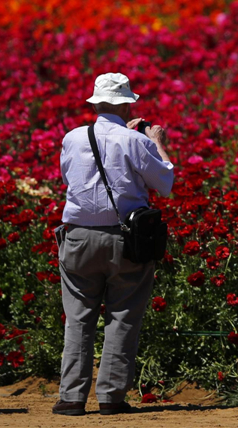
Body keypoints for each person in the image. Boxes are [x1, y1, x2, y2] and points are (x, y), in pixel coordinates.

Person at [53, 73, 174, 416]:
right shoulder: (137, 141)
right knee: (122, 318)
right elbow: (165, 181)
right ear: (127, 104)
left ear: (96, 102)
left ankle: (71, 398)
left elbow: (68, 179)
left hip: (77, 237)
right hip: (125, 240)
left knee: (78, 319)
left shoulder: (72, 138)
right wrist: (156, 141)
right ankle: (111, 398)